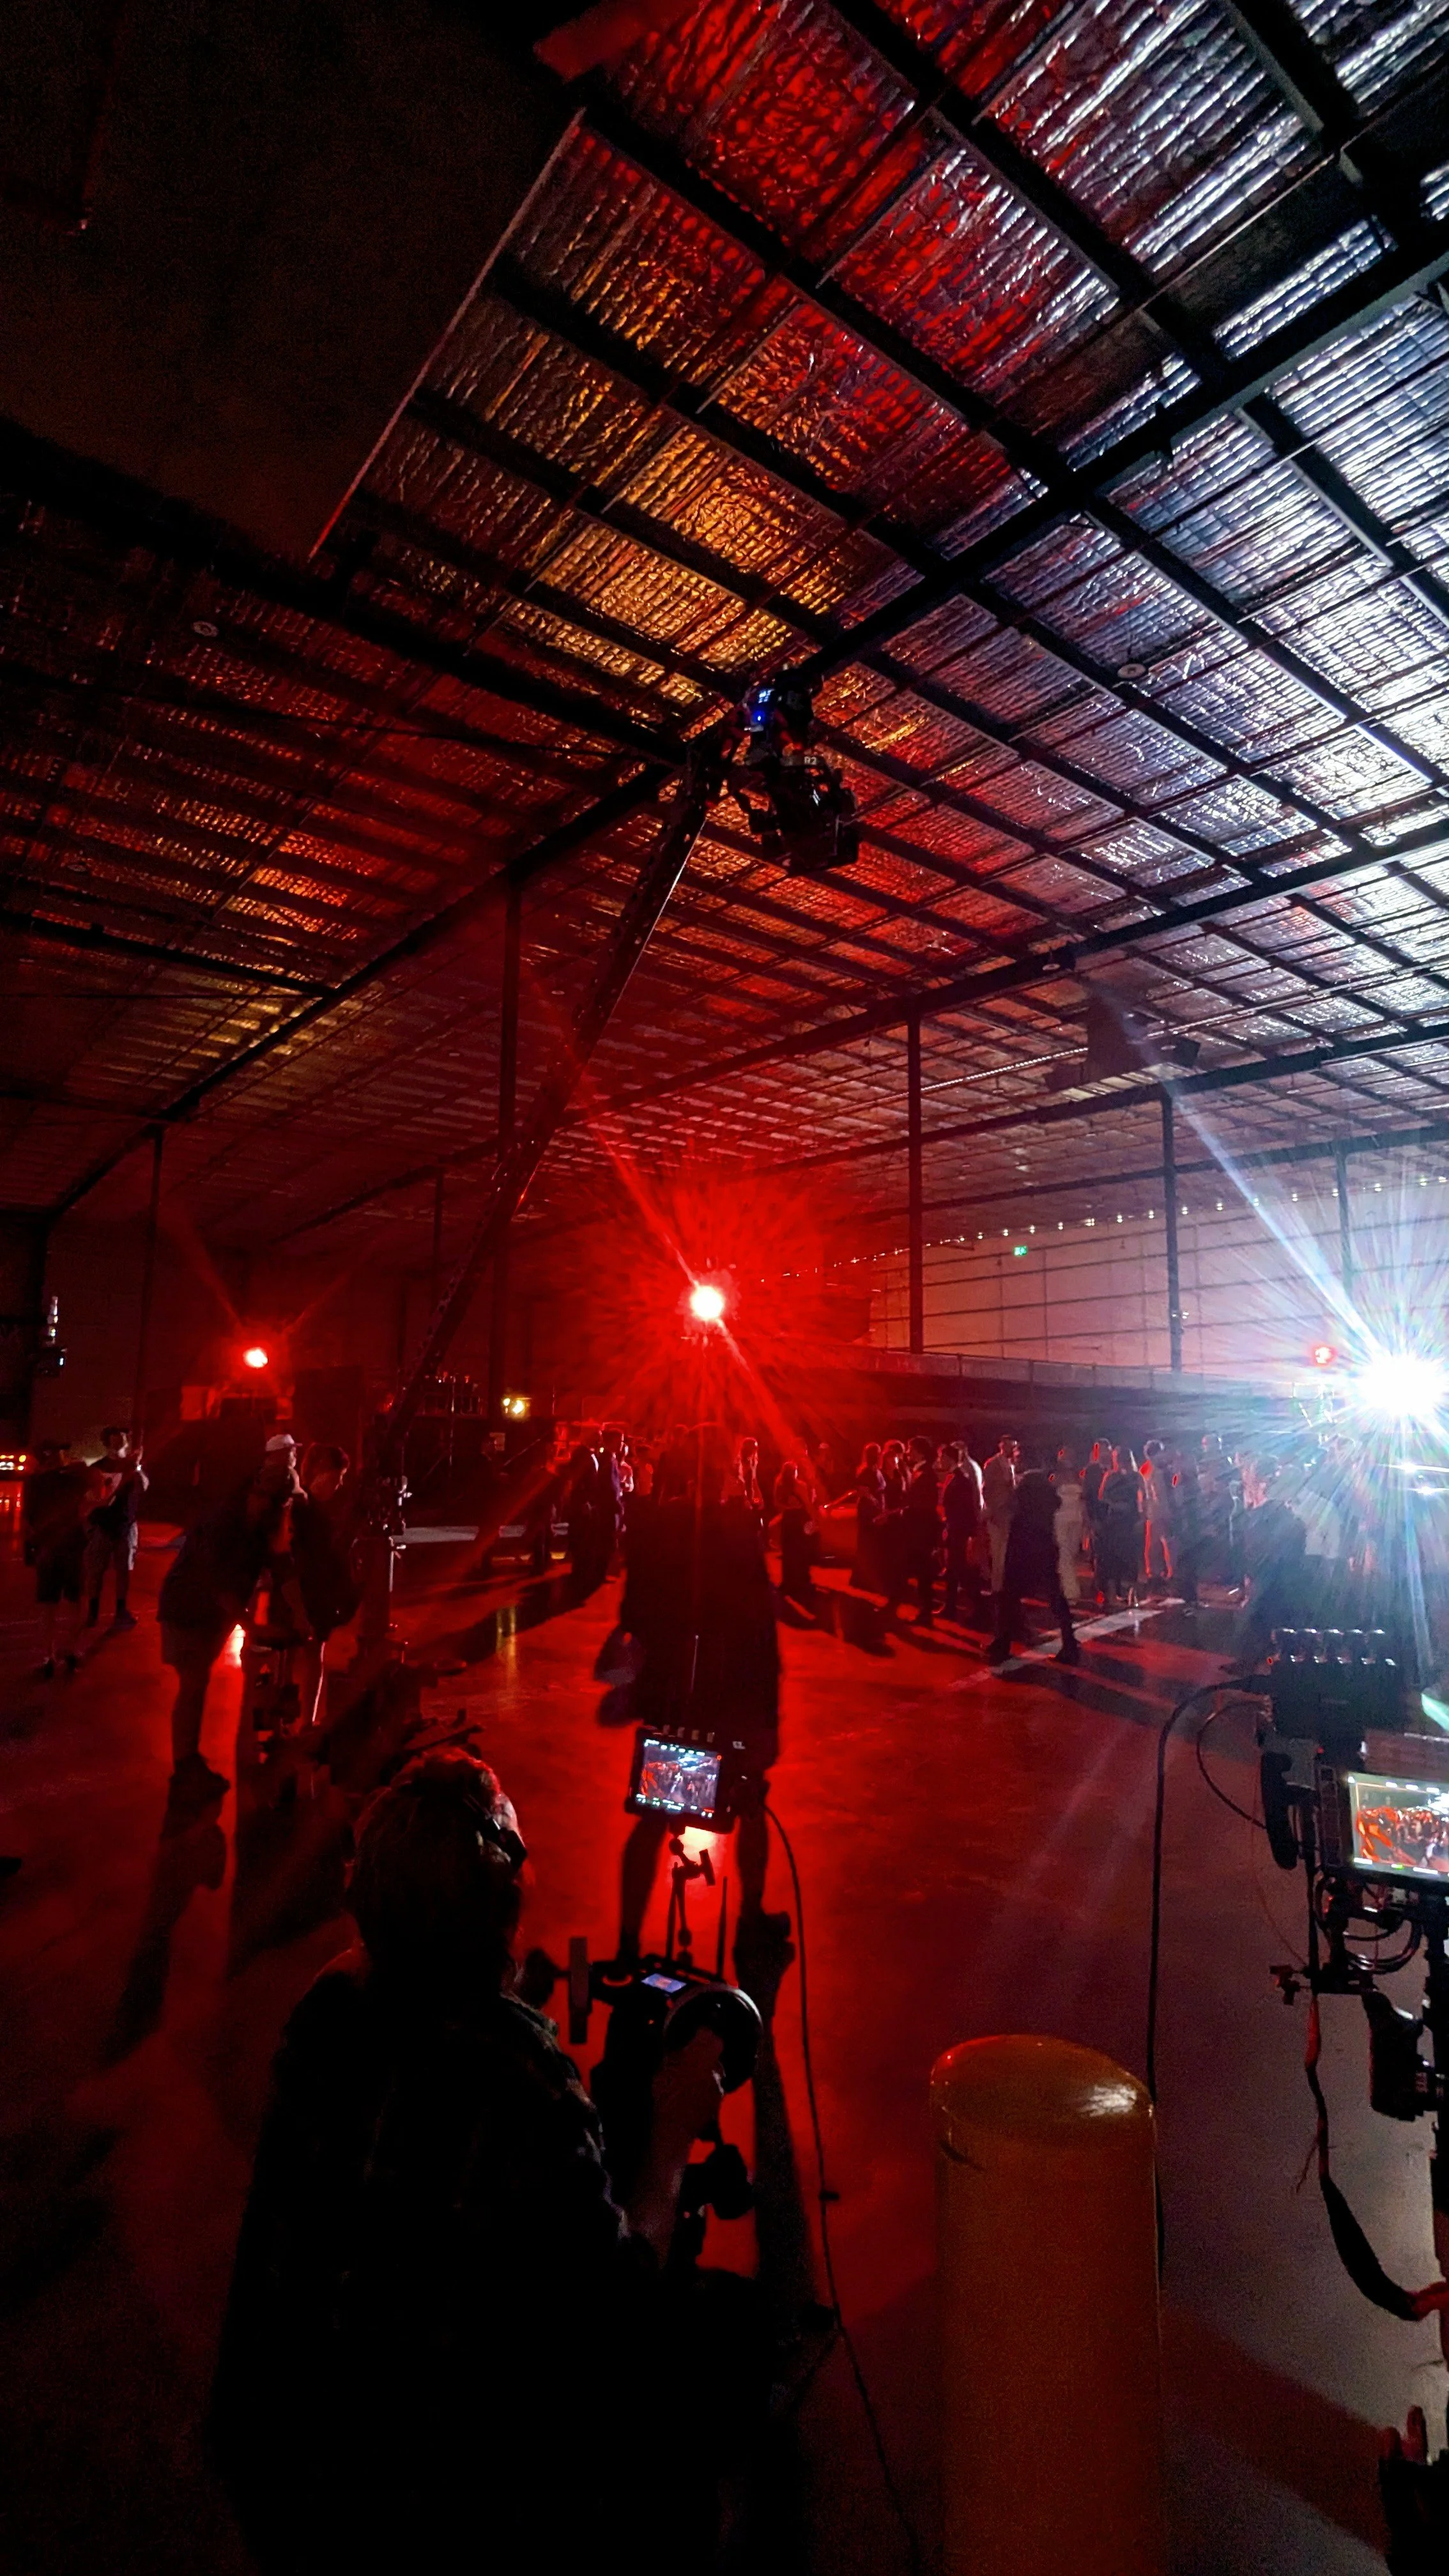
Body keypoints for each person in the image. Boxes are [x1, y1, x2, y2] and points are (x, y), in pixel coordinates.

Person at [212, 1748, 728, 2575]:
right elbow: (619, 2301)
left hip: (281, 2464)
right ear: (503, 1900)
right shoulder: (522, 2078)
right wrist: (672, 2133)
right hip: (440, 2511)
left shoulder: (327, 2008)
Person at [617, 1427, 783, 1961]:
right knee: (751, 1802)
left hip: (673, 1695)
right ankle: (751, 1915)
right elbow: (760, 1626)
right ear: (724, 1472)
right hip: (732, 1696)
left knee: (652, 1816)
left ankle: (627, 1939)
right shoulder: (737, 1527)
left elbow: (633, 1614)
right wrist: (767, 1716)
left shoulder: (656, 1525)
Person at [157, 1438, 299, 1798]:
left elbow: (280, 1567)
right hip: (187, 1607)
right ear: (257, 1492)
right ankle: (185, 1767)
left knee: (197, 1683)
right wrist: (251, 1626)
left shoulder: (259, 1524)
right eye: (270, 1503)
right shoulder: (223, 1520)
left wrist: (300, 1613)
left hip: (211, 1612)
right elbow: (216, 1582)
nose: (270, 1512)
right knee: (193, 1683)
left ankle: (189, 1763)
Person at [289, 1443, 361, 1730]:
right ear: (320, 1471)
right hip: (305, 1597)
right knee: (305, 1658)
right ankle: (301, 1721)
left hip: (310, 1598)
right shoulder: (305, 1512)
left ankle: (303, 1721)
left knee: (310, 1658)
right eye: (337, 1477)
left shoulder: (311, 1510)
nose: (339, 1485)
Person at [988, 1463, 1078, 1664]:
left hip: (1022, 1552)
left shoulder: (1022, 1501)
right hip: (1045, 1551)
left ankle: (1002, 1645)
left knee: (1008, 1599)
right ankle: (1070, 1643)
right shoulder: (1048, 1503)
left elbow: (1007, 1511)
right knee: (1056, 1599)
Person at [23, 1442, 95, 1677]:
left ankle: (50, 1656)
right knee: (73, 1602)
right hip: (70, 1547)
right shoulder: (75, 1479)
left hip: (50, 1548)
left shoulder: (35, 1482)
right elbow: (95, 1493)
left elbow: (28, 1519)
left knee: (49, 1605)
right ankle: (69, 1652)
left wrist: (31, 1548)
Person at [82, 1424, 148, 1630]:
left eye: (122, 1436)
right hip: (102, 1526)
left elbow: (145, 1486)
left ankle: (121, 1611)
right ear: (107, 1441)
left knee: (124, 1571)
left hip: (126, 1526)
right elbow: (91, 1496)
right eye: (114, 1436)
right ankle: (93, 1613)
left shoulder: (132, 1466)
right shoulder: (99, 1466)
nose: (119, 1439)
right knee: (95, 1572)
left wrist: (137, 1468)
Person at [896, 1433, 941, 1627]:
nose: (908, 1453)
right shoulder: (918, 1471)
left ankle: (924, 1613)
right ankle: (921, 1610)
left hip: (921, 1532)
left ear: (920, 1452)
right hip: (917, 1531)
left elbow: (923, 1505)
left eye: (911, 1449)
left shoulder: (927, 1474)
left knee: (922, 1573)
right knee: (918, 1572)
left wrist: (906, 1511)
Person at [1096, 1446, 1144, 1605]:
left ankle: (1131, 1591)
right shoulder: (1111, 1476)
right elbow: (1102, 1497)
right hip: (1115, 1521)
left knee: (1131, 1557)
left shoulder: (1136, 1476)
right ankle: (1117, 1591)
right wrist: (1114, 1505)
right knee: (1116, 1556)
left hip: (1130, 1520)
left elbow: (1143, 1497)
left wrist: (1142, 1517)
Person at [942, 1443, 983, 1620]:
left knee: (959, 1569)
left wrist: (966, 1531)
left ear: (949, 1459)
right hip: (956, 1529)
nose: (940, 1461)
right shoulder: (956, 1477)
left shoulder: (961, 1480)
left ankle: (978, 1606)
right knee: (953, 1570)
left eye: (942, 1457)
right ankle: (950, 1606)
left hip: (959, 1530)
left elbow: (965, 1508)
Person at [772, 1458, 815, 1607]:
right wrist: (813, 1518)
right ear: (794, 1472)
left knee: (789, 1552)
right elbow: (807, 1504)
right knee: (801, 1551)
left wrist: (787, 1507)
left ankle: (789, 1582)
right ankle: (802, 1581)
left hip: (788, 1520)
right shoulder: (800, 1486)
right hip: (799, 1519)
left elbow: (777, 1503)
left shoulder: (780, 1486)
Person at [981, 1434, 1018, 1597]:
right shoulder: (992, 1464)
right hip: (997, 1514)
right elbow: (986, 1489)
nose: (1011, 1449)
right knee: (998, 1552)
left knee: (1004, 1552)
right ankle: (997, 1588)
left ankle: (1002, 1586)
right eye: (1009, 1446)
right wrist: (992, 1510)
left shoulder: (1012, 1464)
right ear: (1002, 1446)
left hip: (1008, 1514)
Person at [851, 1441, 886, 1592]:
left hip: (874, 1509)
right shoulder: (866, 1471)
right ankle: (862, 1578)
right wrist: (875, 1501)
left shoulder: (876, 1470)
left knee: (871, 1544)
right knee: (866, 1543)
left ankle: (868, 1577)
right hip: (868, 1510)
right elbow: (861, 1490)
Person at [1140, 1440, 1175, 1589]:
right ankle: (1170, 1573)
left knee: (1153, 1544)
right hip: (1159, 1511)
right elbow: (1159, 1495)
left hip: (1151, 1512)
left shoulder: (1145, 1468)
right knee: (1167, 1542)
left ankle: (1153, 1573)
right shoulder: (1156, 1471)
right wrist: (1167, 1513)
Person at [1053, 1449, 1085, 1606]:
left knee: (1072, 1553)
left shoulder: (1079, 1477)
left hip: (1077, 1518)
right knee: (1065, 1554)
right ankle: (1070, 1592)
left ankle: (1065, 1586)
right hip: (1061, 1518)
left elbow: (1084, 1499)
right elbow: (1050, 1497)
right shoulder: (1055, 1477)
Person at [734, 1434, 766, 1532]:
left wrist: (759, 1499)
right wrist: (755, 1500)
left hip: (751, 1499)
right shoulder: (742, 1465)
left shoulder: (751, 1463)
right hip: (745, 1500)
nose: (756, 1451)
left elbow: (754, 1483)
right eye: (754, 1448)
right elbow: (743, 1484)